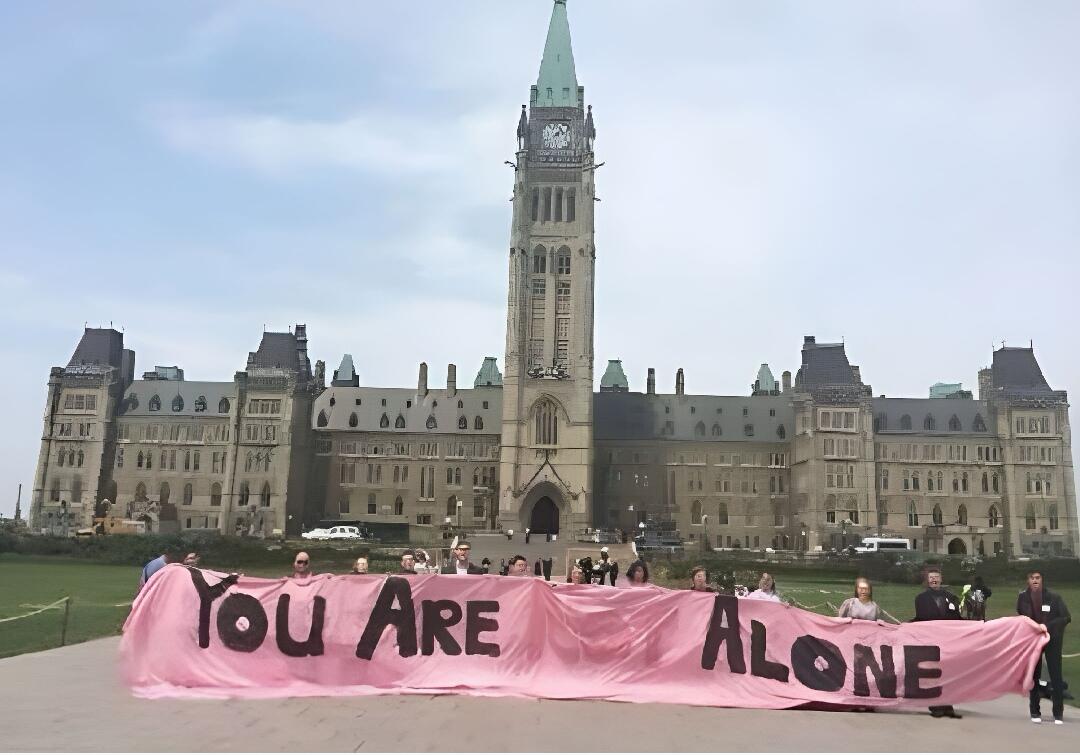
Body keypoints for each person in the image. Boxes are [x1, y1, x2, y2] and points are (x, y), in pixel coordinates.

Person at [1017, 570, 1071, 724]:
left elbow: (1066, 617)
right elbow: (1021, 616)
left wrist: (1047, 627)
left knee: (1055, 675)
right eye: (1032, 578)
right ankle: (1035, 711)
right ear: (1028, 580)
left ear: (1042, 580)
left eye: (1038, 578)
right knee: (1034, 674)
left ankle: (1058, 713)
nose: (1035, 580)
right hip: (1033, 641)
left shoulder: (1054, 598)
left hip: (1052, 639)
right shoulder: (1023, 597)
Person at [913, 567, 963, 719]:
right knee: (933, 674)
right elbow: (921, 618)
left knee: (948, 673)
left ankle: (948, 705)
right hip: (931, 641)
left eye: (936, 577)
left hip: (948, 642)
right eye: (931, 577)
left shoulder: (951, 597)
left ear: (941, 579)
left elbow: (957, 619)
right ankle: (935, 706)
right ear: (927, 580)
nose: (934, 580)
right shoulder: (920, 599)